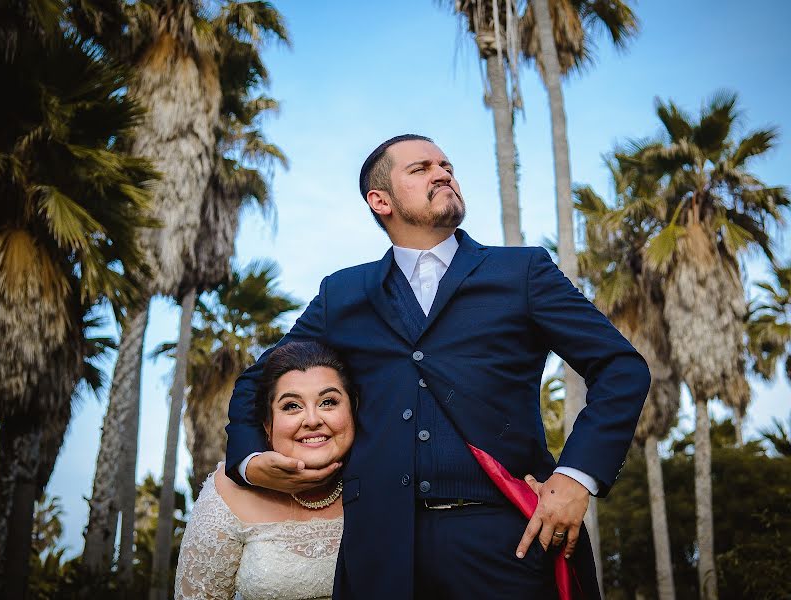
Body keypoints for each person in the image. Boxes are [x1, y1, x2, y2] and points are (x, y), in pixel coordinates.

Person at [225, 134, 651, 599]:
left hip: (507, 539)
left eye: (446, 165)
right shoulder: (342, 293)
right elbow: (257, 382)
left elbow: (620, 367)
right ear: (380, 200)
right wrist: (250, 461)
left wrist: (576, 476)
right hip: (378, 550)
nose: (443, 173)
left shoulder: (522, 273)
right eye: (421, 168)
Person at [175, 341, 356, 600]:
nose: (313, 419)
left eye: (328, 402)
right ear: (268, 426)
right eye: (292, 406)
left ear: (353, 410)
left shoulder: (381, 482)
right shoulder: (228, 494)